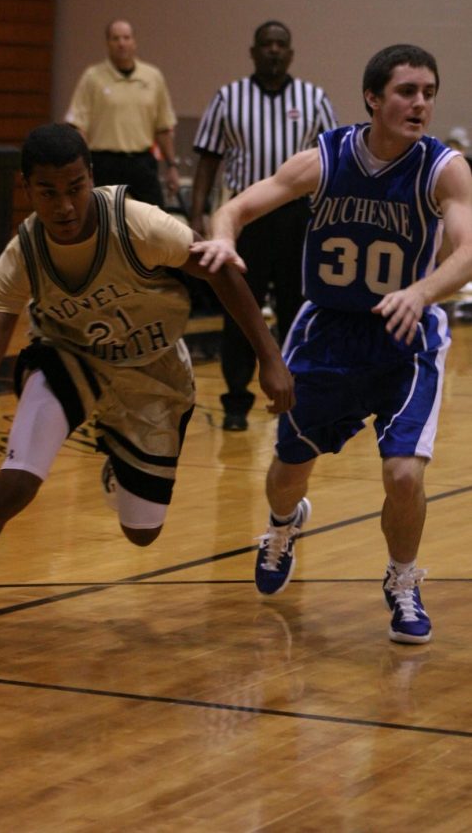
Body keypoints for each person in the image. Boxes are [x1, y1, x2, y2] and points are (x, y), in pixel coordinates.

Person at [0, 122, 294, 646]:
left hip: (153, 368)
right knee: (18, 481)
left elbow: (223, 273)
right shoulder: (22, 255)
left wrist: (270, 358)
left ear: (91, 178)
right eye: (47, 192)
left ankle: (117, 464)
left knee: (142, 534)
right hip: (67, 357)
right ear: (27, 189)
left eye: (74, 187)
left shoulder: (140, 224)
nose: (65, 205)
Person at [192, 44, 472, 644]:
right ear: (373, 97)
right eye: (406, 91)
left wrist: (420, 293)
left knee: (402, 474)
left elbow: (470, 252)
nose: (420, 102)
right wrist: (220, 240)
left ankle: (402, 581)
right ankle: (283, 524)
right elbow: (237, 206)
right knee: (290, 468)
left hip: (406, 337)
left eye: (428, 92)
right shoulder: (326, 157)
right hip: (328, 331)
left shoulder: (443, 168)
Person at [191, 21, 338, 431]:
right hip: (246, 219)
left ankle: (298, 396)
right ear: (253, 51)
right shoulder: (228, 98)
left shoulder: (315, 99)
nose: (274, 51)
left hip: (298, 219)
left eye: (281, 45)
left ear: (290, 54)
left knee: (298, 311)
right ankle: (236, 402)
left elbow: (334, 162)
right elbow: (207, 159)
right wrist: (198, 211)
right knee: (241, 308)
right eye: (266, 44)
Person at [65, 19, 179, 207]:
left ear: (134, 42)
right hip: (104, 163)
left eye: (126, 38)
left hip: (141, 161)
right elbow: (79, 126)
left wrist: (172, 166)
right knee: (102, 219)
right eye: (115, 38)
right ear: (107, 43)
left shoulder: (153, 77)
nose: (121, 43)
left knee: (156, 220)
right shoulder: (92, 77)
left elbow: (163, 127)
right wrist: (84, 167)